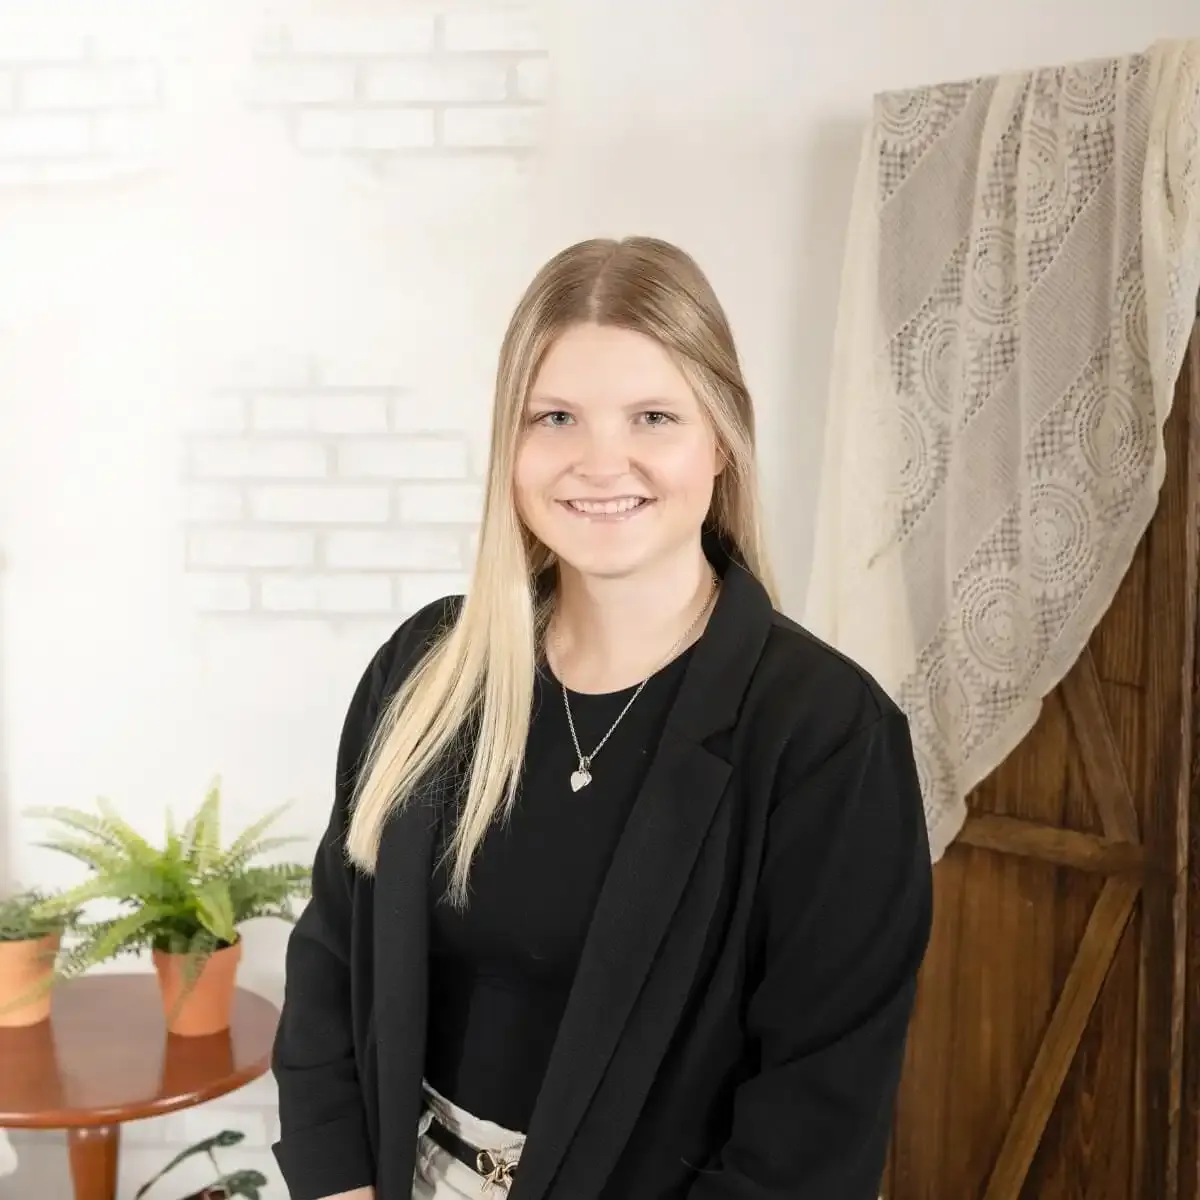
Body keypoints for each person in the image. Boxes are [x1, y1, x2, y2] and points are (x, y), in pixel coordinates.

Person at [270, 236, 934, 1200]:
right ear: (513, 443)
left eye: (653, 415)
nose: (599, 461)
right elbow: (332, 950)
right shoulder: (425, 671)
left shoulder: (828, 736)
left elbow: (814, 1123)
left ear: (721, 439)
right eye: (556, 418)